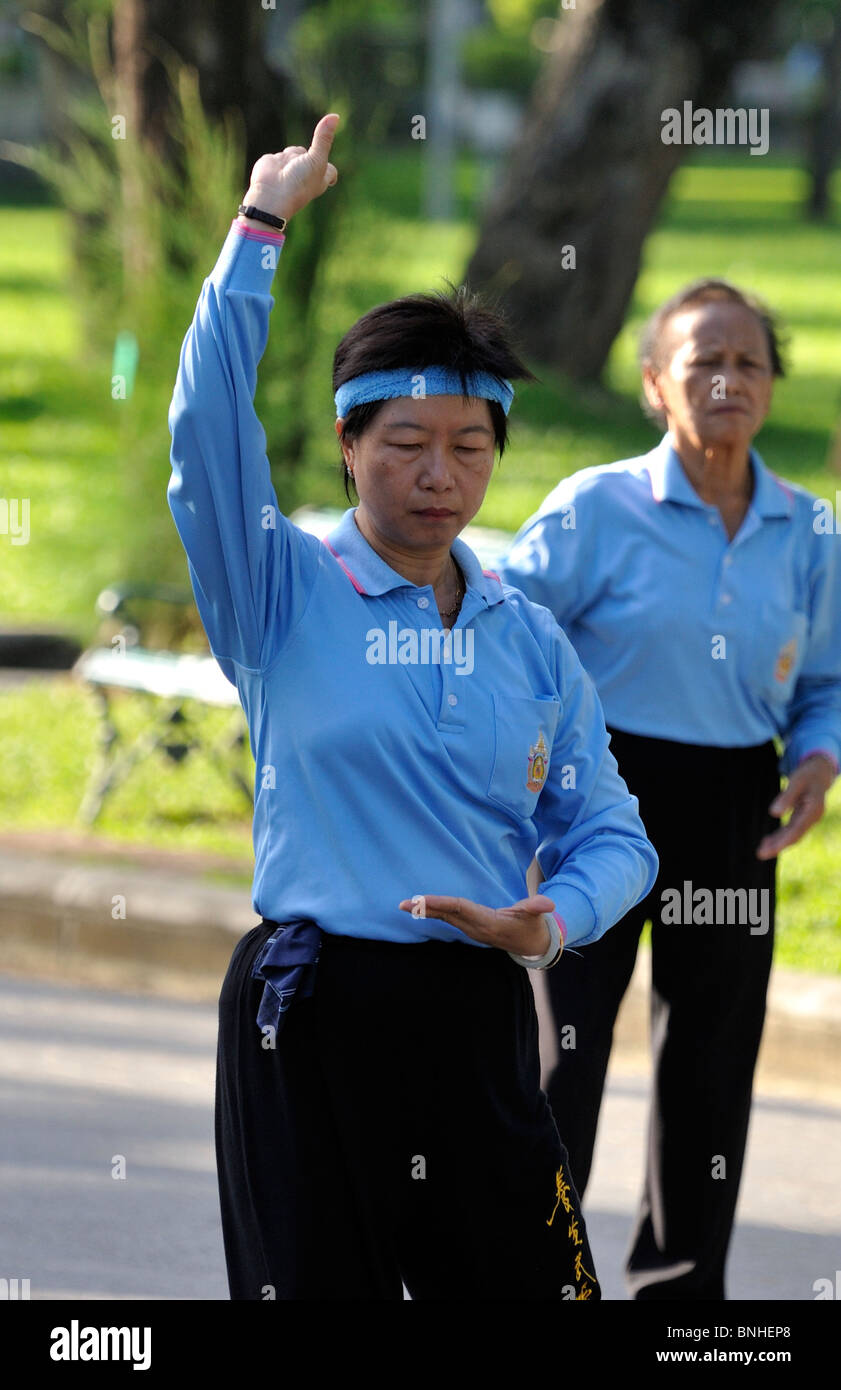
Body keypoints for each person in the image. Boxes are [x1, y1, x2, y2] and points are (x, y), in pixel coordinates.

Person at [166, 112, 658, 1301]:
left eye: (468, 447)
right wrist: (261, 226)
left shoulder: (528, 637)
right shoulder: (276, 587)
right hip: (313, 1012)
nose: (438, 476)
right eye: (404, 444)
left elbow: (616, 835)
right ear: (346, 445)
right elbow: (204, 423)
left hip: (475, 1015)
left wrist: (546, 923)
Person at [497, 278, 841, 1300]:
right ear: (655, 384)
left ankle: (681, 1294)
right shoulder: (595, 507)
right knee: (561, 1053)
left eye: (748, 361)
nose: (727, 378)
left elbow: (825, 678)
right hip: (597, 798)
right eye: (703, 360)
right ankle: (530, 1275)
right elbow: (508, 636)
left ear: (773, 386)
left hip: (738, 803)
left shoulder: (809, 530)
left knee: (711, 1056)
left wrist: (819, 757)